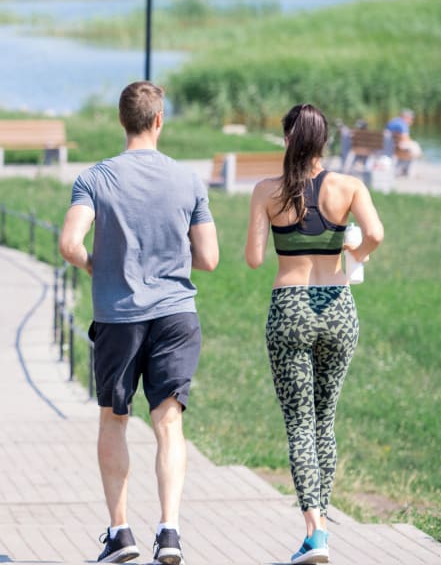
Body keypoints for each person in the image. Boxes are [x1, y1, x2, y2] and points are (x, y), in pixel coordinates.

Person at [59, 81, 219, 564]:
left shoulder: (94, 179)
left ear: (121, 121)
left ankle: (120, 532)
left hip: (119, 317)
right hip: (176, 314)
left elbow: (69, 244)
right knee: (169, 422)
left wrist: (95, 265)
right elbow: (209, 258)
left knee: (114, 419)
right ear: (158, 120)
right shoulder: (188, 180)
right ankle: (169, 533)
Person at [245, 104, 384, 565]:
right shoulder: (349, 186)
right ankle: (322, 525)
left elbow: (253, 258)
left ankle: (315, 532)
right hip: (338, 307)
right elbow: (376, 234)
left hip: (290, 307)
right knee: (325, 420)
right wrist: (353, 251)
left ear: (288, 139)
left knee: (300, 424)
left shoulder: (267, 191)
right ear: (323, 141)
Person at [385, 109, 421, 175]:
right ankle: (406, 170)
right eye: (411, 118)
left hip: (389, 145)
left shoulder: (393, 121)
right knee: (414, 147)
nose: (411, 120)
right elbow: (405, 138)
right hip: (396, 147)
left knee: (412, 147)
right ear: (406, 117)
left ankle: (403, 168)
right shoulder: (402, 124)